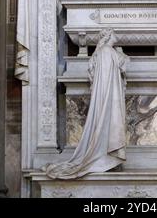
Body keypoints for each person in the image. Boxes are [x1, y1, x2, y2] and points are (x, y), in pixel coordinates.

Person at [44, 28, 127, 179]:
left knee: (106, 124)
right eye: (114, 33)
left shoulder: (102, 52)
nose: (116, 36)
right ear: (108, 36)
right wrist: (122, 56)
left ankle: (105, 158)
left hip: (105, 98)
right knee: (109, 123)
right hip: (109, 99)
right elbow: (118, 71)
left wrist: (120, 56)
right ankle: (106, 158)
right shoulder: (108, 52)